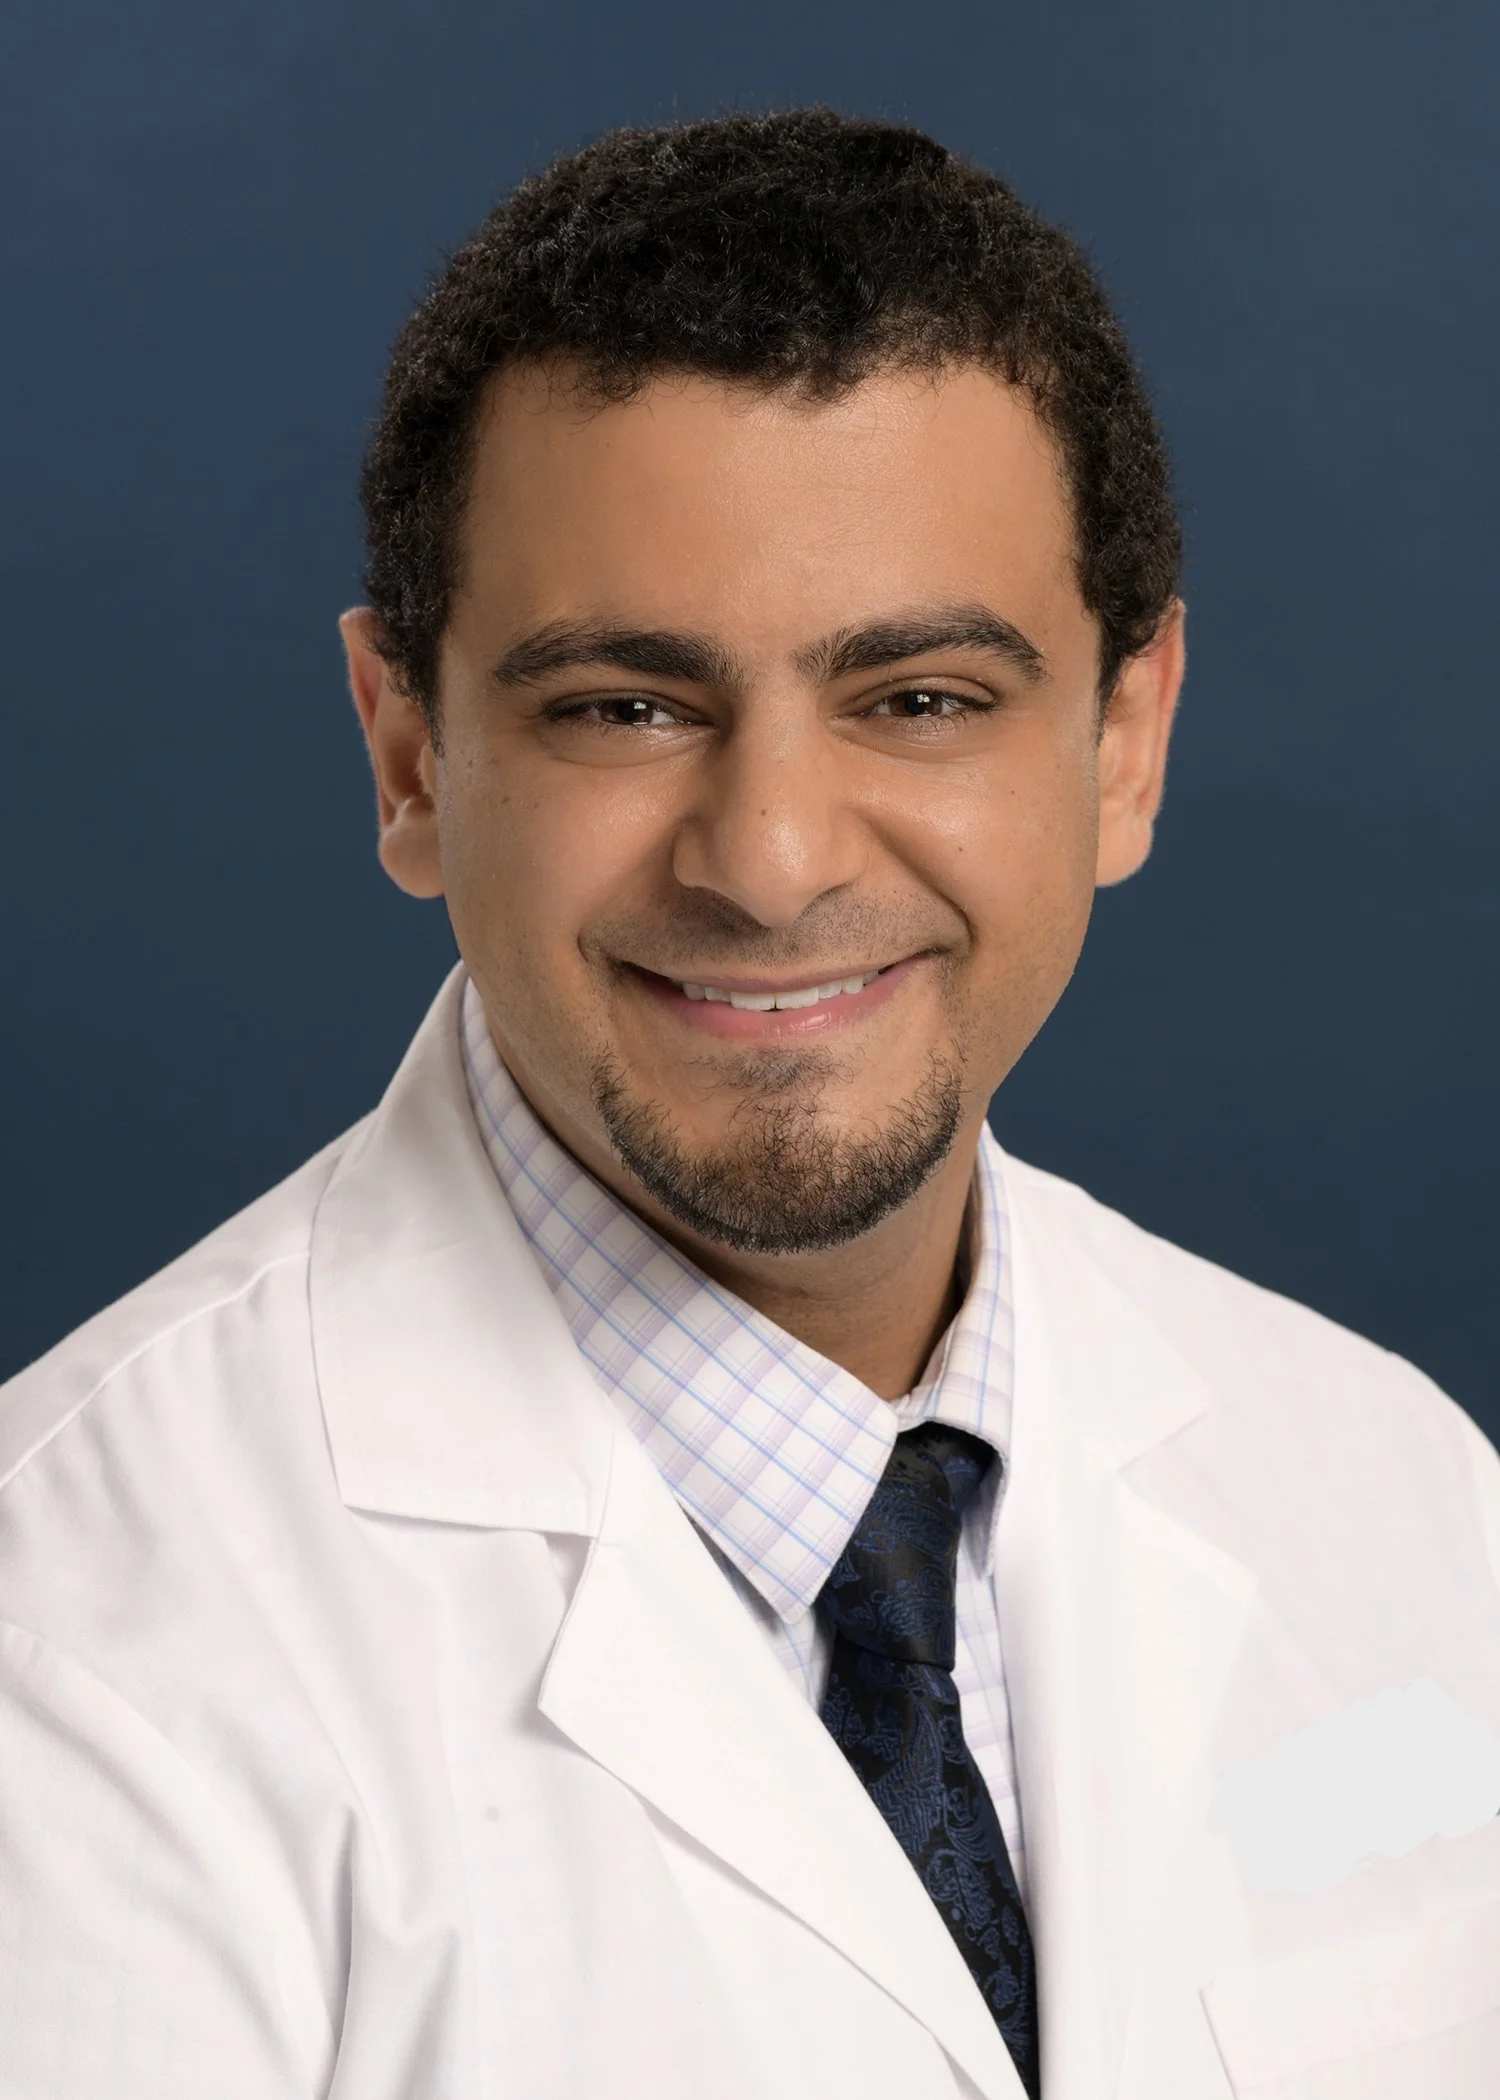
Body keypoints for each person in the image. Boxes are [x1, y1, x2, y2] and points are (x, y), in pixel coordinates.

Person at [1, 107, 1497, 2100]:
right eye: (623, 707)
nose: (773, 859)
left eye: (922, 700)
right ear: (409, 761)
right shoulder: (82, 1646)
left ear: (1126, 742)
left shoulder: (1402, 1503)